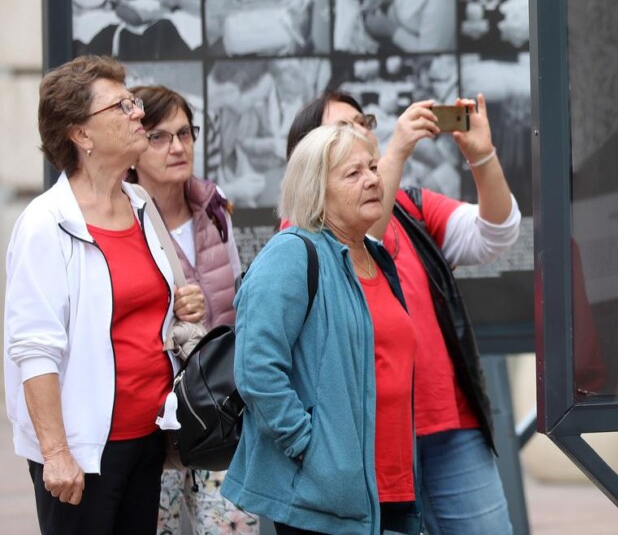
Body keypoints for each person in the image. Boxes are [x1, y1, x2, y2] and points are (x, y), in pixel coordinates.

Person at [285, 89, 520, 535]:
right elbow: (360, 239)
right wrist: (396, 152)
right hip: (368, 439)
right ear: (308, 156)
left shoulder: (411, 207)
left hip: (450, 421)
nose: (359, 135)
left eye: (363, 124)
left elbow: (497, 234)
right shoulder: (301, 234)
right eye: (343, 128)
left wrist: (482, 156)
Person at [4, 55, 205, 535]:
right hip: (82, 453)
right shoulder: (45, 223)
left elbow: (148, 306)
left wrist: (182, 305)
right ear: (82, 134)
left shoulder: (139, 203)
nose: (138, 113)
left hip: (148, 438)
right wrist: (56, 452)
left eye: (133, 101)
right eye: (122, 106)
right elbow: (34, 348)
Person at [221, 122, 420, 535]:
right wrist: (308, 449)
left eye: (372, 168)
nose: (372, 180)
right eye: (353, 173)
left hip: (391, 485)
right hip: (324, 496)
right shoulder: (292, 254)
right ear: (316, 190)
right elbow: (256, 369)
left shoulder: (377, 257)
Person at [125, 85, 257, 535]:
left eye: (185, 133)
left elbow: (236, 300)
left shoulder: (214, 207)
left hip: (221, 413)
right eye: (159, 137)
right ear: (134, 146)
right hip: (155, 422)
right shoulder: (123, 219)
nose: (178, 147)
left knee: (230, 527)